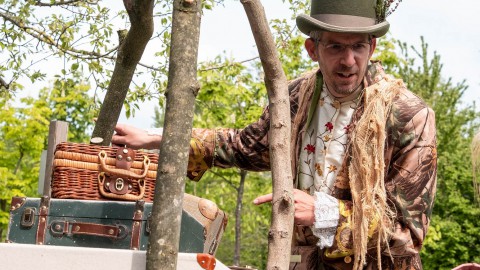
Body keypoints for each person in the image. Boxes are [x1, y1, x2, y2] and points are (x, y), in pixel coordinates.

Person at [112, 0, 437, 269]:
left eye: (358, 47)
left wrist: (323, 213)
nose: (349, 61)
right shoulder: (295, 97)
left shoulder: (408, 116)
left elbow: (407, 232)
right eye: (336, 47)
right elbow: (243, 146)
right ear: (313, 48)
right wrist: (159, 138)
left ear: (373, 46)